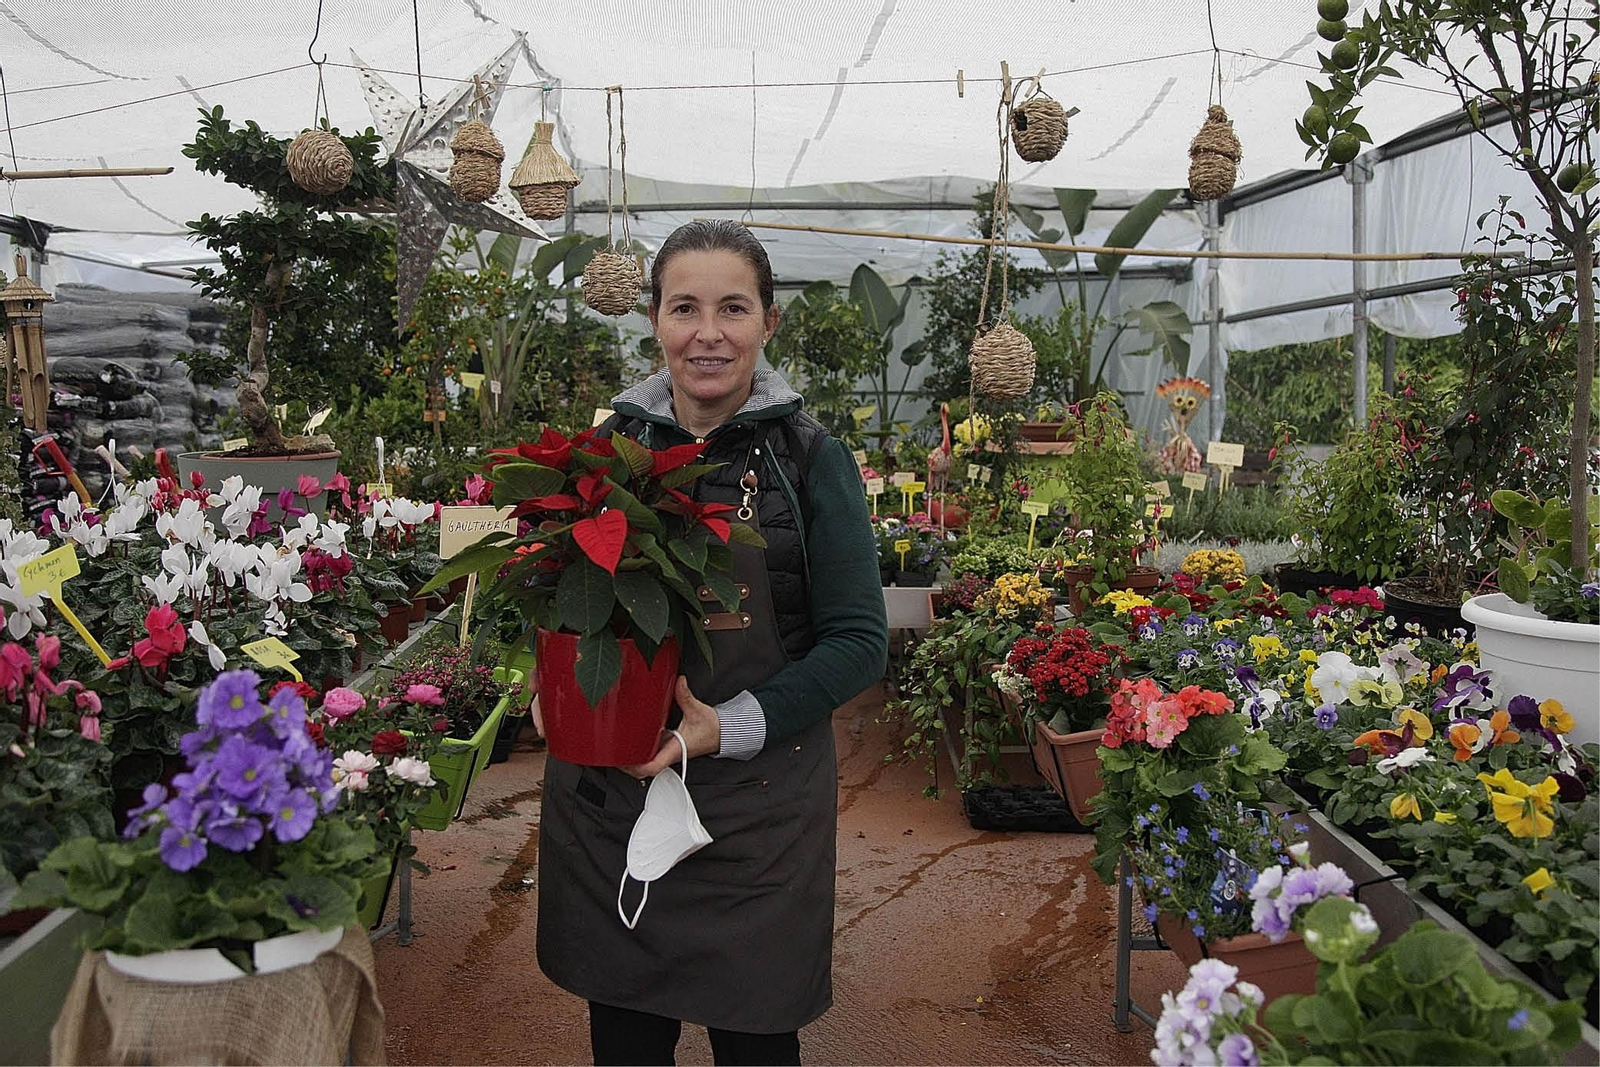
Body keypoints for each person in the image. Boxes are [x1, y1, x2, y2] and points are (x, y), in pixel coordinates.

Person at [534, 219, 890, 1066]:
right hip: (615, 793)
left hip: (756, 807)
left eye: (734, 307)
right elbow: (555, 605)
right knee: (624, 1032)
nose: (708, 332)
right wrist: (546, 694)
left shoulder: (811, 459)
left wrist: (721, 726)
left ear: (769, 322)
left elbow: (857, 641)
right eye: (684, 306)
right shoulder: (603, 453)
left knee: (757, 1037)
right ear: (654, 318)